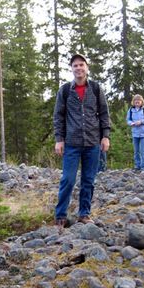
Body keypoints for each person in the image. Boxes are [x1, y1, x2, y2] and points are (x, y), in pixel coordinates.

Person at [53, 53, 110, 226]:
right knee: (68, 179)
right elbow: (58, 116)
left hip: (93, 143)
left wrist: (105, 136)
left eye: (81, 65)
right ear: (71, 69)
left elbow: (104, 114)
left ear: (87, 68)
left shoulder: (96, 88)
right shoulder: (64, 90)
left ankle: (84, 214)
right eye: (75, 65)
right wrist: (59, 139)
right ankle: (60, 215)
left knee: (88, 180)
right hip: (71, 143)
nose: (78, 68)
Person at [126, 94, 144, 171]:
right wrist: (131, 123)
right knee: (136, 151)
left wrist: (141, 122)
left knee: (143, 151)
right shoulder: (131, 110)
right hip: (135, 133)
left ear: (141, 102)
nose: (137, 102)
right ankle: (137, 166)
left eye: (138, 101)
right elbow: (128, 120)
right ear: (133, 102)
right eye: (135, 101)